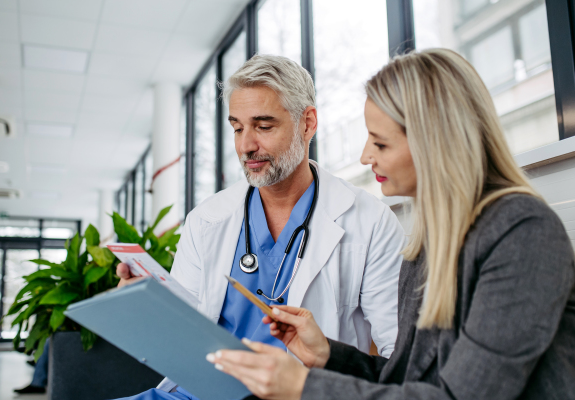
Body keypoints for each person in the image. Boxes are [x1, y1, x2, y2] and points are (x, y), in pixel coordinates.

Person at [207, 48, 575, 399]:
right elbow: (408, 380)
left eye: (380, 144)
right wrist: (328, 356)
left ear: (436, 143)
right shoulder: (429, 245)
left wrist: (304, 388)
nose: (366, 156)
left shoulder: (523, 234)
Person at [115, 54, 406, 400]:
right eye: (237, 128)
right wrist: (147, 306)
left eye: (263, 126)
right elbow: (183, 338)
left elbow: (400, 356)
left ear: (308, 123)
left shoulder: (369, 221)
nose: (245, 146)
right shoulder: (207, 219)